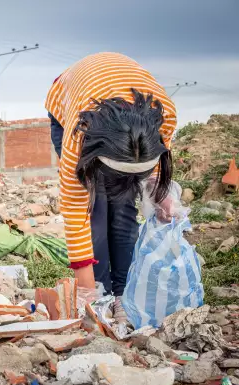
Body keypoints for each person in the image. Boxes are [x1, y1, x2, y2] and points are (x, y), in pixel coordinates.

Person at [45, 52, 177, 321]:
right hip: (68, 98)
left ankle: (122, 295)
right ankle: (103, 294)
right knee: (96, 208)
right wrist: (86, 289)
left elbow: (159, 152)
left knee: (124, 206)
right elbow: (74, 208)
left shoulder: (164, 115)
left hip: (119, 101)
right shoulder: (77, 136)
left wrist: (159, 191)